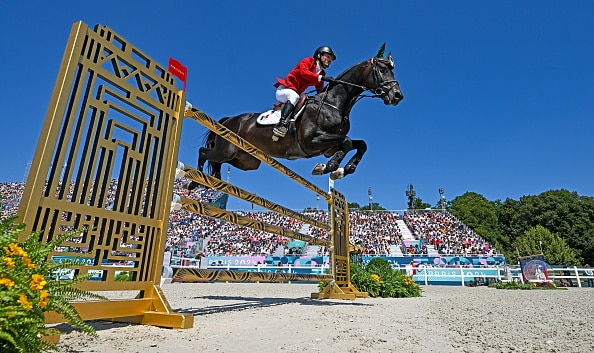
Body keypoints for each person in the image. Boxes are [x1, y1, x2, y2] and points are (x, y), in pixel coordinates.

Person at [272, 46, 337, 139]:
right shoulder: (308, 61)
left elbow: (320, 90)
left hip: (295, 94)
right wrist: (320, 78)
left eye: (331, 59)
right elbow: (303, 72)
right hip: (284, 90)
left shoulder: (322, 73)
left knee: (307, 101)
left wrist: (332, 88)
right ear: (319, 55)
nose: (329, 60)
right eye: (327, 56)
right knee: (294, 96)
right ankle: (281, 124)